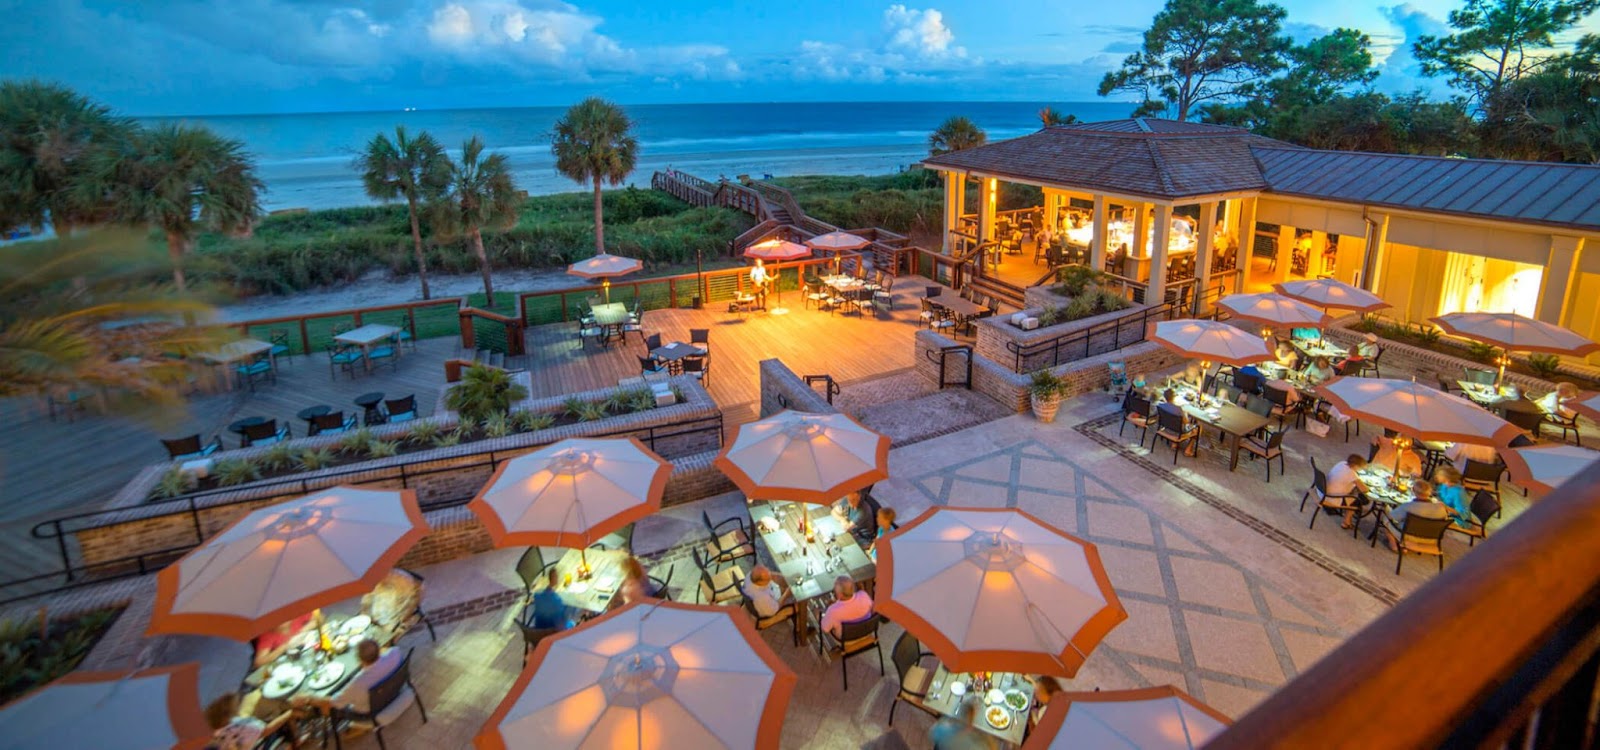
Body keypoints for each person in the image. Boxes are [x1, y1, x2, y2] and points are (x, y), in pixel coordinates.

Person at [300, 639, 402, 718]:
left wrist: (308, 699)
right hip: (394, 691)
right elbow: (387, 651)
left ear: (359, 659)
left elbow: (333, 702)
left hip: (369, 711)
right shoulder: (395, 653)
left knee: (327, 707)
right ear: (379, 650)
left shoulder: (357, 683)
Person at [1380, 483, 1451, 551]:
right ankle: (1403, 545)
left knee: (1385, 518)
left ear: (1413, 491)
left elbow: (1392, 517)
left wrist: (1386, 508)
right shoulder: (1441, 508)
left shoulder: (1409, 506)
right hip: (1431, 539)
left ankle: (1394, 544)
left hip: (1407, 535)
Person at [361, 568, 423, 633]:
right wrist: (365, 613)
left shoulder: (401, 580)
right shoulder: (379, 584)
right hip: (390, 596)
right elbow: (367, 600)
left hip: (402, 600)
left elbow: (410, 603)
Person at [931, 699, 999, 750]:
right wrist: (986, 736)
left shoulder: (941, 730)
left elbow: (932, 733)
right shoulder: (975, 745)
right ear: (969, 726)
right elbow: (994, 748)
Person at [1326, 454, 1371, 530]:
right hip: (1334, 497)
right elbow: (1364, 489)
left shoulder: (1341, 463)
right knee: (1358, 500)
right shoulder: (1351, 473)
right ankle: (1346, 522)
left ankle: (1348, 519)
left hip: (1327, 491)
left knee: (1354, 493)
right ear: (1355, 465)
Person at [1156, 389, 1197, 457]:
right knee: (1198, 429)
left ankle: (1174, 444)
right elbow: (1186, 422)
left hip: (1166, 428)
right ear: (1174, 397)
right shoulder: (1178, 409)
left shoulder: (1161, 406)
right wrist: (1186, 414)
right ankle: (1188, 450)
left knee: (1175, 424)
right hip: (1178, 432)